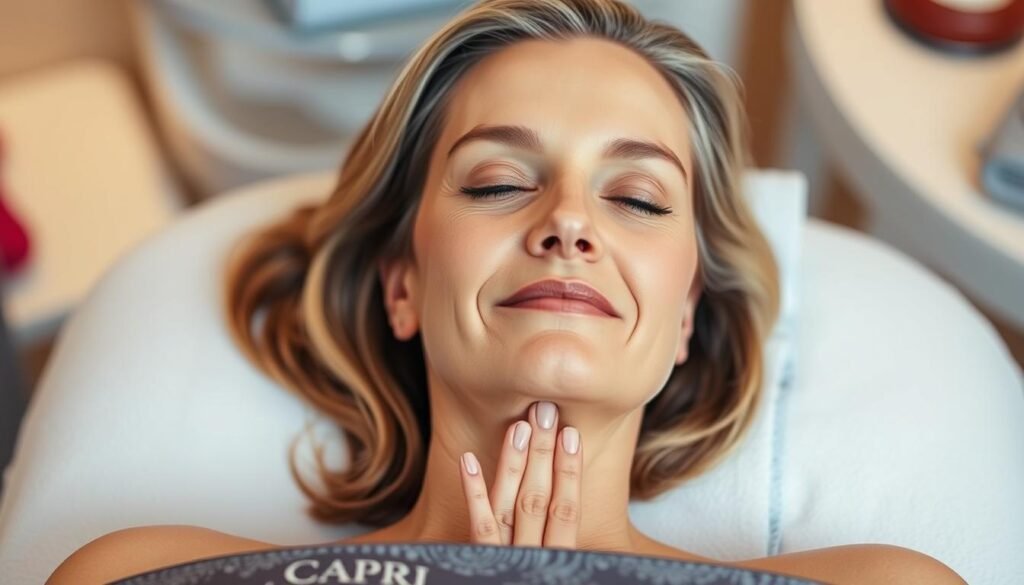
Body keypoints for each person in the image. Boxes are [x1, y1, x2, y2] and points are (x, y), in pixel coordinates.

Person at [47, 0, 967, 583]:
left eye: (637, 197)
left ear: (685, 317)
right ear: (401, 285)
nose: (569, 221)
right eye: (496, 182)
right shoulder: (130, 571)